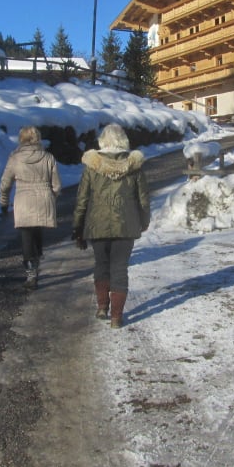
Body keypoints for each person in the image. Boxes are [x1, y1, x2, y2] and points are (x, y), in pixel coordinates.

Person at [72, 124, 150, 328]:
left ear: (102, 141)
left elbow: (82, 199)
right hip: (126, 225)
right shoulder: (134, 166)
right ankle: (116, 317)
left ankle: (102, 306)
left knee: (101, 264)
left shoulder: (92, 166)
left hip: (97, 224)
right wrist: (143, 222)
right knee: (120, 268)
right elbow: (143, 199)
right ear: (124, 140)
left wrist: (78, 226)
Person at [0, 126, 61, 289]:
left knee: (26, 235)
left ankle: (30, 272)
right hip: (43, 199)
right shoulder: (48, 157)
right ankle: (37, 258)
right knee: (37, 229)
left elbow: (5, 183)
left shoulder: (15, 158)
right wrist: (51, 197)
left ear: (21, 139)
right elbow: (56, 185)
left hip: (23, 200)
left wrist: (4, 202)